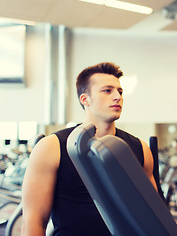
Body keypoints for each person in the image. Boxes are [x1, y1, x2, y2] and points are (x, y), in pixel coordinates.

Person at [22, 62, 158, 236]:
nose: (117, 96)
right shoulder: (52, 146)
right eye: (107, 90)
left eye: (120, 91)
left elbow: (152, 215)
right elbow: (33, 222)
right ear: (85, 99)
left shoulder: (140, 148)